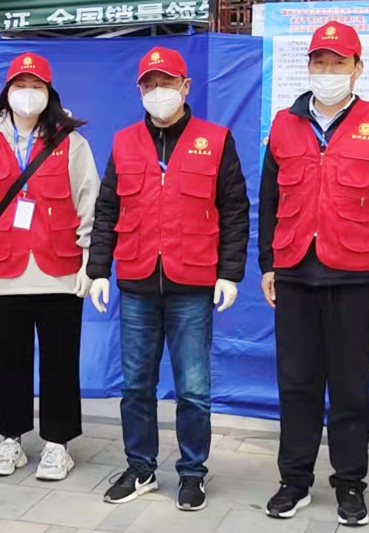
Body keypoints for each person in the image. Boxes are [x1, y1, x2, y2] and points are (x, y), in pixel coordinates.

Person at [258, 21, 369, 527]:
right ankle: (294, 481)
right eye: (319, 62)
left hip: (356, 278)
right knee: (296, 385)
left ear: (357, 68)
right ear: (308, 66)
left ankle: (349, 483)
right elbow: (269, 199)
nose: (327, 71)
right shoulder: (284, 124)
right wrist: (268, 263)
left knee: (349, 389)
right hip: (296, 275)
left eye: (338, 62)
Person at [86, 47, 250, 511]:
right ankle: (140, 468)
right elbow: (107, 209)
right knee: (136, 386)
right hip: (137, 280)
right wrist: (98, 270)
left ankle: (192, 472)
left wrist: (230, 273)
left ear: (185, 86)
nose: (159, 91)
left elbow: (235, 210)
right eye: (150, 84)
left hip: (193, 283)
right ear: (139, 89)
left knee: (193, 390)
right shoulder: (124, 142)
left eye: (167, 82)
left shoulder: (214, 140)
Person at [0, 52, 99, 483]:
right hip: (3, 270)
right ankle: (10, 437)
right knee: (8, 359)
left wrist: (91, 260)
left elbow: (90, 200)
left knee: (60, 360)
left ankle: (57, 443)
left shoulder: (71, 143)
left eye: (36, 87)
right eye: (20, 86)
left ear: (49, 93)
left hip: (60, 270)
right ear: (7, 92)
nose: (28, 94)